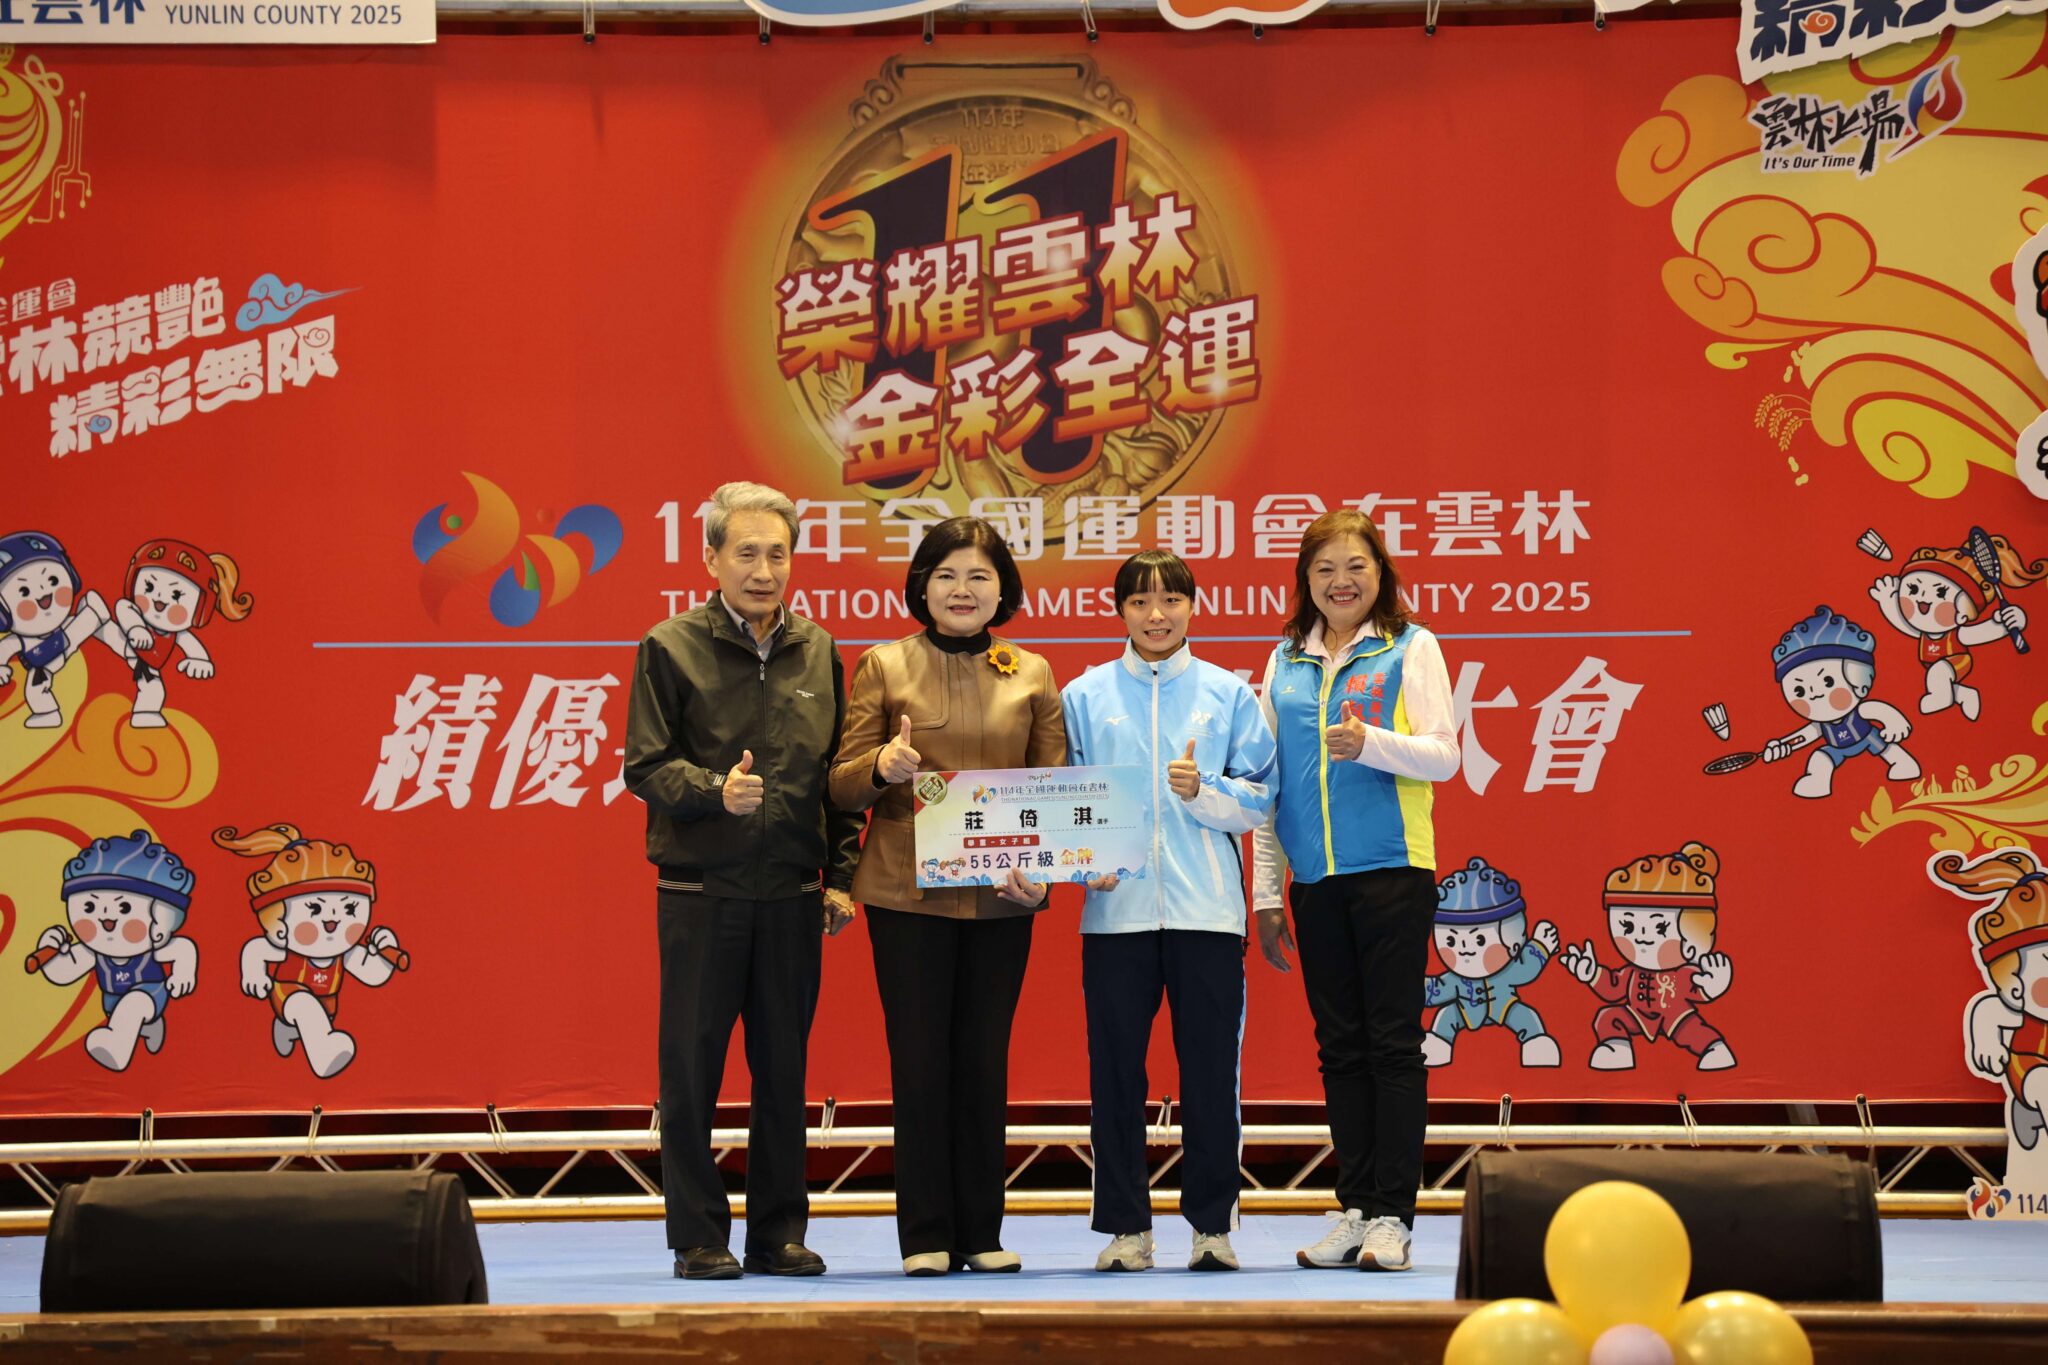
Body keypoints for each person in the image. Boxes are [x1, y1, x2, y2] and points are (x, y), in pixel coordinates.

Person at [623, 481, 863, 1281]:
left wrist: (839, 876)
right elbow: (645, 764)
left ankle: (777, 1233)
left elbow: (834, 777)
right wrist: (713, 791)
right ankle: (697, 1235)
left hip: (792, 891)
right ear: (711, 558)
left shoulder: (818, 649)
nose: (764, 571)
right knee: (691, 1071)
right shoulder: (669, 646)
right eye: (747, 553)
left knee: (784, 1071)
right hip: (702, 891)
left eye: (778, 554)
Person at [828, 516, 1065, 1277]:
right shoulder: (885, 664)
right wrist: (882, 767)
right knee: (921, 1061)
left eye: (979, 577)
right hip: (907, 896)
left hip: (1002, 895)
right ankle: (925, 1234)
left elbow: (1053, 791)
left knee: (984, 1061)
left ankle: (981, 1233)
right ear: (922, 586)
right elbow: (840, 784)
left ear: (1003, 590)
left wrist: (1043, 875)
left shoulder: (1032, 673)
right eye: (947, 576)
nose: (963, 591)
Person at [1250, 508, 1459, 1273]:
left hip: (1393, 872)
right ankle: (1357, 1206)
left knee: (1392, 1045)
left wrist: (1371, 743)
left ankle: (1393, 1216)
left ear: (1381, 574)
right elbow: (1267, 785)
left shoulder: (1411, 646)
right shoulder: (1283, 661)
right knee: (1339, 1047)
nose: (1341, 581)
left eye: (1356, 567)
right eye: (1325, 569)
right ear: (1306, 579)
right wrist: (1267, 892)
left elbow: (1444, 755)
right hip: (1316, 883)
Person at [1060, 550, 1275, 1273]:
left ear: (1193, 605)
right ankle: (1127, 1229)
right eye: (1140, 601)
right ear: (1119, 610)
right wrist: (1082, 864)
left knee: (1211, 1074)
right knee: (1115, 1074)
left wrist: (1203, 790)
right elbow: (1063, 798)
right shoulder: (1084, 695)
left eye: (1171, 599)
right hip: (1114, 914)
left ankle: (1212, 1226)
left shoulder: (1228, 693)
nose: (1157, 615)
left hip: (1207, 913)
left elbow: (1261, 796)